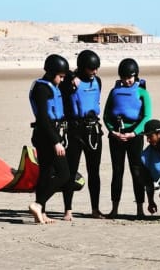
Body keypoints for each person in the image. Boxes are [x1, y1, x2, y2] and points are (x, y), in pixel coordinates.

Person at [103, 58, 152, 218]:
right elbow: (106, 115)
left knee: (136, 171)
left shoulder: (142, 92)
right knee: (117, 172)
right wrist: (112, 131)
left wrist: (135, 133)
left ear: (136, 75)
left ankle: (140, 210)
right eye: (124, 77)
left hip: (134, 135)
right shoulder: (114, 91)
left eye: (130, 77)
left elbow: (146, 116)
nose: (127, 80)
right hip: (116, 134)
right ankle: (114, 209)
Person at [59, 49, 104, 220]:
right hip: (75, 130)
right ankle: (68, 210)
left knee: (94, 172)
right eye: (91, 69)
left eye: (96, 68)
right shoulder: (69, 82)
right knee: (71, 171)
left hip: (93, 131)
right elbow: (62, 77)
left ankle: (95, 209)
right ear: (82, 67)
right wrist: (71, 78)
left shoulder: (97, 81)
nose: (95, 72)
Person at [28, 54, 71, 224]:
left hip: (49, 134)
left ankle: (42, 213)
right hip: (46, 136)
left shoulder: (48, 84)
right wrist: (56, 141)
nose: (62, 80)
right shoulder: (42, 89)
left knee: (45, 173)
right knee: (64, 174)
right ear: (52, 73)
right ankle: (38, 204)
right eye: (60, 76)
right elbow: (44, 119)